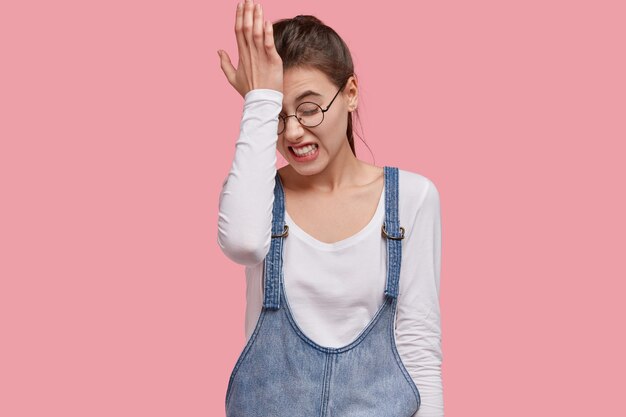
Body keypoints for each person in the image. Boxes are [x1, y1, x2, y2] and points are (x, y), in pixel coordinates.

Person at [216, 1, 443, 416]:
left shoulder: (413, 198)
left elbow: (419, 346)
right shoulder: (257, 195)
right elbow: (243, 245)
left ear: (351, 94)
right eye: (279, 117)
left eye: (308, 108)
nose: (294, 131)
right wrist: (258, 101)